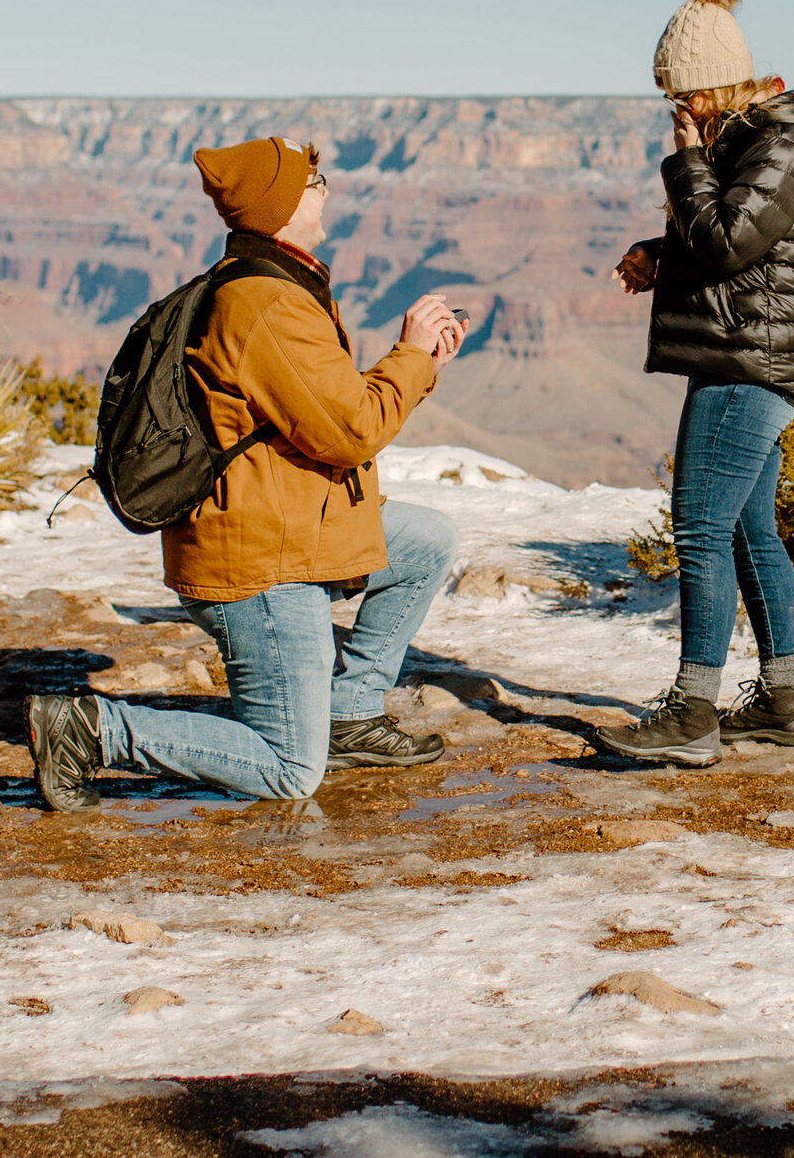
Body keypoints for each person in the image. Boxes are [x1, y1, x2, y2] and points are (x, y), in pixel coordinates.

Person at [27, 138, 466, 810]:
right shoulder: (266, 305)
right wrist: (407, 353)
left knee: (423, 540)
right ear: (282, 203)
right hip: (261, 562)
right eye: (313, 179)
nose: (326, 189)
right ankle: (93, 730)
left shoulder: (277, 284)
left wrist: (421, 365)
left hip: (291, 524)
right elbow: (352, 431)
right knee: (292, 769)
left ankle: (347, 712)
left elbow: (333, 413)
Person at [598, 0, 794, 766]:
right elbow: (730, 245)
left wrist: (683, 161)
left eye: (685, 99)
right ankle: (783, 699)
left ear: (716, 87)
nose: (679, 114)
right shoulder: (752, 142)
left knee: (700, 524)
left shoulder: (780, 146)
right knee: (747, 528)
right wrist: (657, 252)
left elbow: (725, 244)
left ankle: (692, 711)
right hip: (746, 349)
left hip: (751, 363)